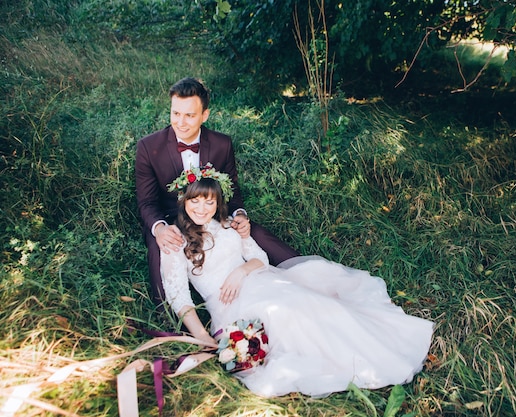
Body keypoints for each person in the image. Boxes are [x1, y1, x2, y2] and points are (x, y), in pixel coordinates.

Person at [160, 164, 435, 398]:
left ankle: (371, 352)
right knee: (282, 312)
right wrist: (201, 335)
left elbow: (259, 257)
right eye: (196, 201)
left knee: (309, 300)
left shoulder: (229, 225)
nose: (202, 208)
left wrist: (241, 271)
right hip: (229, 304)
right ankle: (346, 362)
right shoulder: (175, 241)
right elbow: (178, 296)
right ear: (184, 200)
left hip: (259, 280)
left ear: (218, 203)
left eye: (210, 201)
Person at [135, 77, 298, 304]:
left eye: (190, 115)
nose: (181, 122)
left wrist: (240, 215)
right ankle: (166, 320)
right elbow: (147, 201)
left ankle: (303, 272)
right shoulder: (149, 146)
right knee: (159, 246)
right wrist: (160, 228)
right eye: (176, 113)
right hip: (171, 218)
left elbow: (232, 192)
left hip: (212, 213)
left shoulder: (222, 144)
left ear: (205, 115)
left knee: (254, 233)